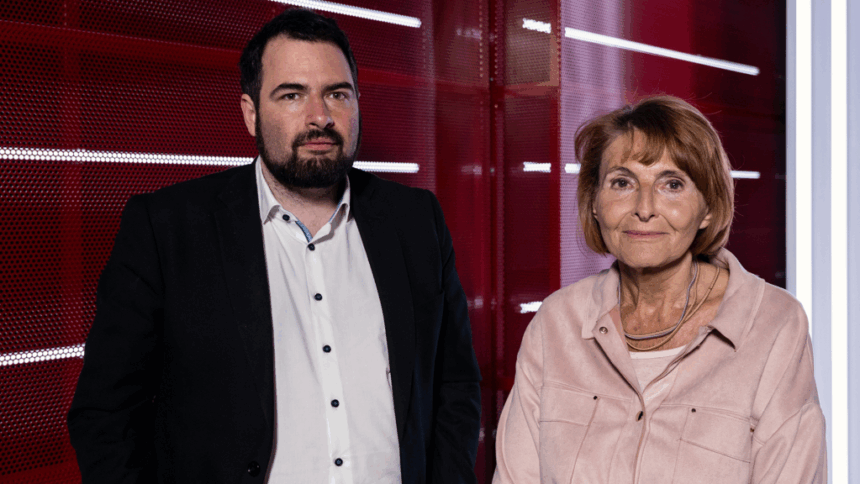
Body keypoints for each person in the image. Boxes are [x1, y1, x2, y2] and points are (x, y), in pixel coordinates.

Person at [68, 8, 481, 483]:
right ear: (251, 113)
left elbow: (455, 386)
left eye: (337, 94)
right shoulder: (167, 229)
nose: (320, 117)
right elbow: (106, 415)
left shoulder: (416, 221)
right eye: (292, 95)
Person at [493, 95, 826, 483]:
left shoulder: (773, 325)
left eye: (672, 184)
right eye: (622, 182)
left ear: (708, 208)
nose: (645, 207)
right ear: (595, 202)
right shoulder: (557, 322)